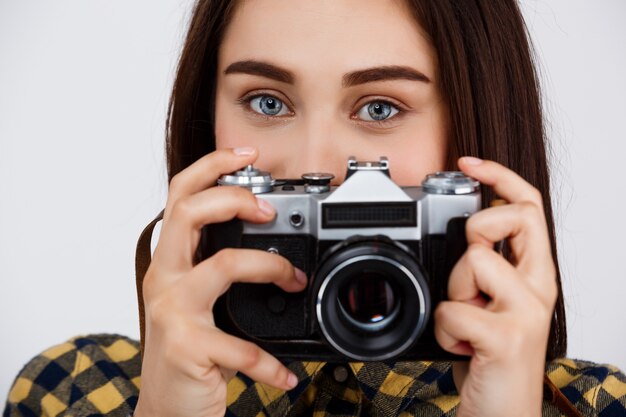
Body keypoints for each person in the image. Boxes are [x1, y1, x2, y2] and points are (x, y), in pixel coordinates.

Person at [4, 1, 625, 416]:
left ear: (471, 131)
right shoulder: (72, 389)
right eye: (268, 102)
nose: (319, 163)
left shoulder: (598, 404)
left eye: (380, 107)